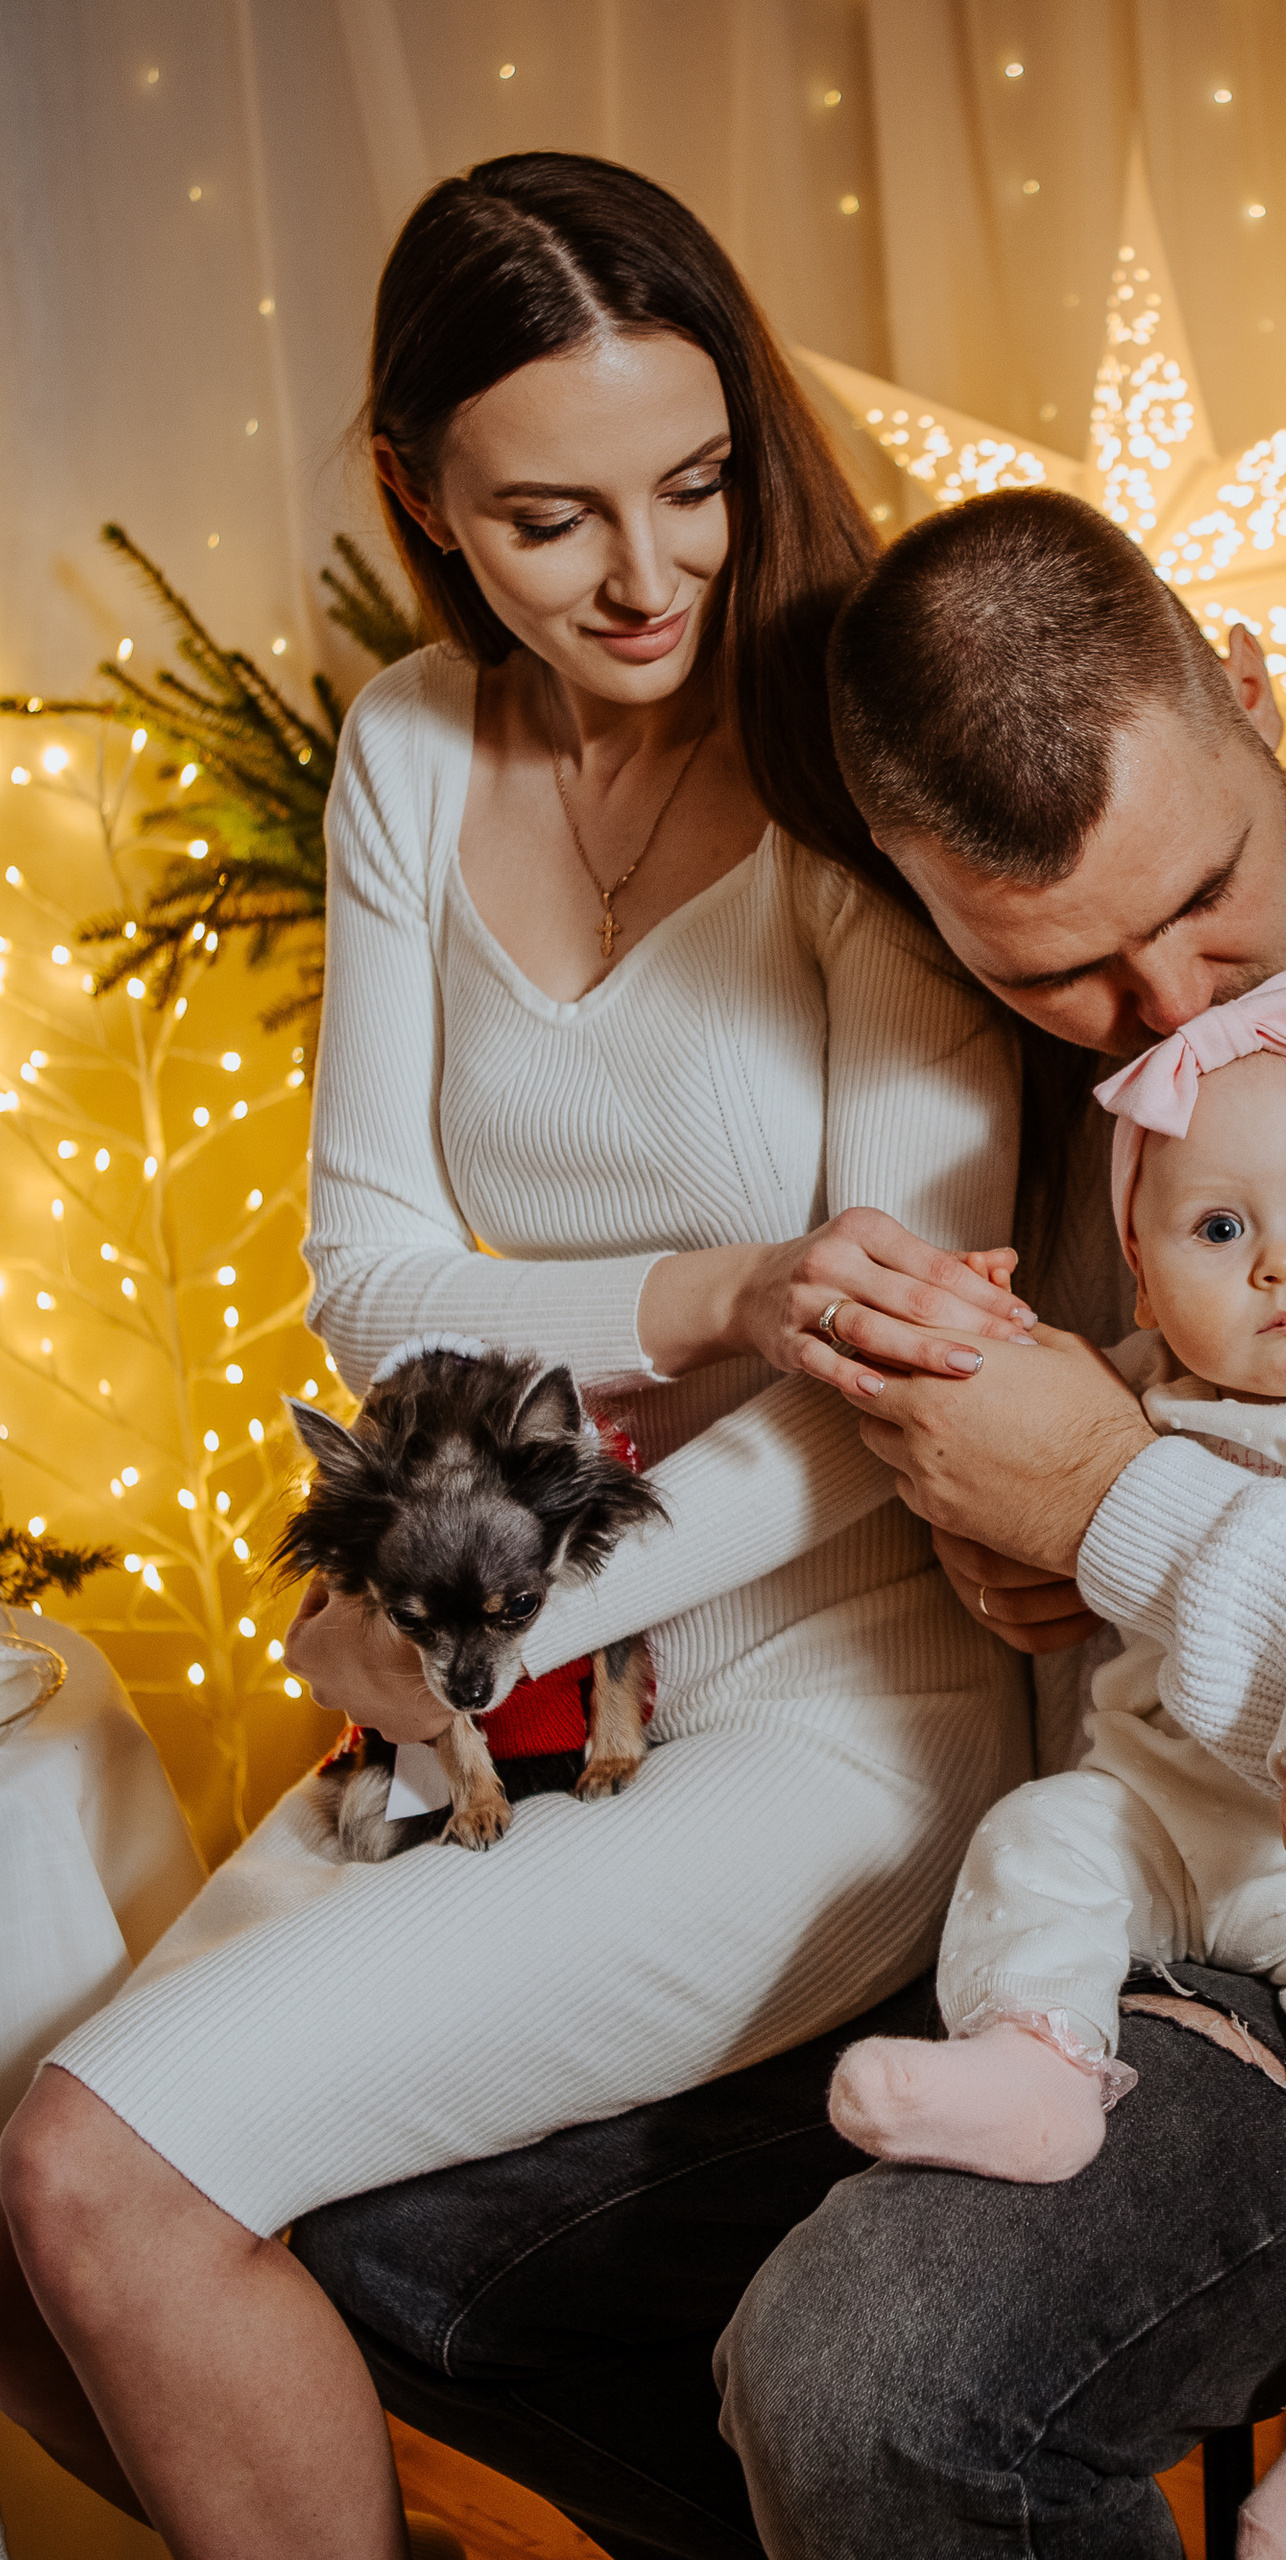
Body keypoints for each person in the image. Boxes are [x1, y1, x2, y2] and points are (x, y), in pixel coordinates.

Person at [287, 485, 1286, 2560]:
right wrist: (997, 1552)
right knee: (393, 2226)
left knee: (874, 2379)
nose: (1170, 1003)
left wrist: (1108, 1506)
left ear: (1247, 689)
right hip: (1106, 1860)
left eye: (1202, 895)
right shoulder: (999, 1057)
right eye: (1065, 970)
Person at [0, 154, 1048, 2560]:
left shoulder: (850, 761)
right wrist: (716, 1289)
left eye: (694, 482)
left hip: (830, 1716)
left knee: (95, 2172)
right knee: (20, 2208)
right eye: (551, 518)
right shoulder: (407, 745)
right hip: (519, 1692)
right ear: (417, 497)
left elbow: (900, 1384)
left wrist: (476, 1618)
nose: (648, 572)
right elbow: (371, 1280)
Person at [835, 974, 1286, 2560]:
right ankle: (1037, 2066)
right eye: (1220, 1230)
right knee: (1040, 1839)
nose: (1282, 1261)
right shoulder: (1143, 1390)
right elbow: (1018, 1429)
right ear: (1149, 1280)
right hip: (1163, 1817)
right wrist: (983, 1337)